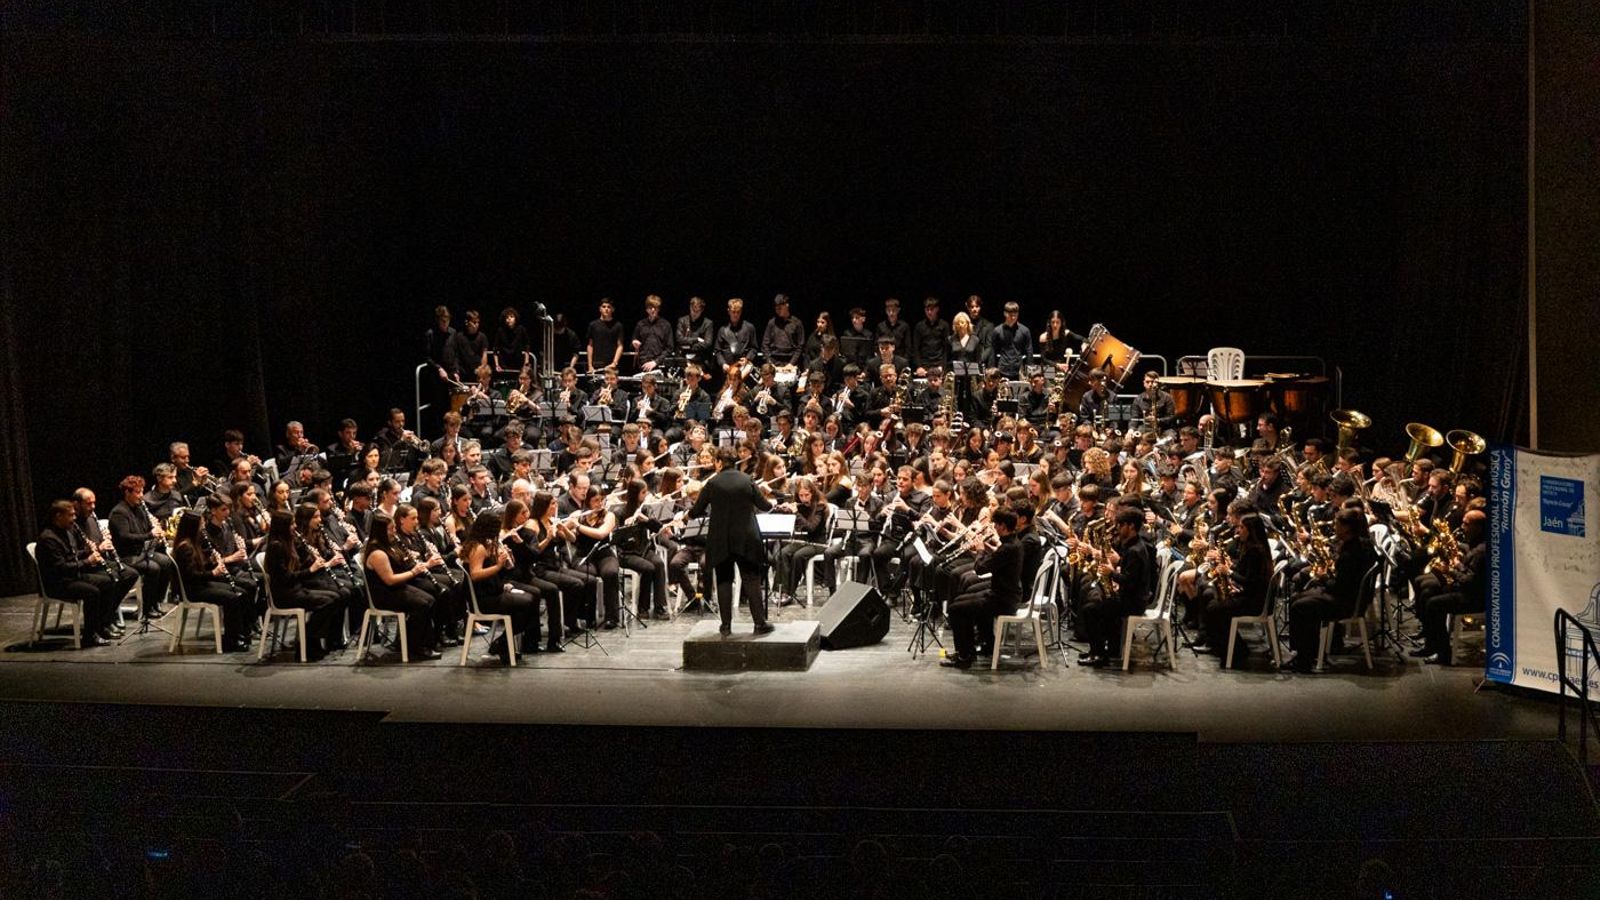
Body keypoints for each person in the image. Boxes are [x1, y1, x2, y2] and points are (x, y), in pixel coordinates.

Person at [688, 447, 774, 636]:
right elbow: (764, 506)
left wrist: (688, 514)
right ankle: (760, 623)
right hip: (746, 537)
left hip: (721, 538)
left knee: (724, 579)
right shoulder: (747, 480)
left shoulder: (712, 483)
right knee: (751, 579)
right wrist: (773, 500)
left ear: (719, 462)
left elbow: (696, 510)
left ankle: (726, 625)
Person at [1285, 508, 1380, 672]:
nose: (1334, 528)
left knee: (1300, 605)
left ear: (1346, 528)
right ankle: (1308, 652)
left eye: (1337, 524)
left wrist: (1323, 577)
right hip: (1352, 596)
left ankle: (1304, 659)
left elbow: (1339, 587)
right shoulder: (1363, 543)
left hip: (1346, 602)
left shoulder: (1350, 553)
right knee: (1297, 599)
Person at [35, 499, 131, 646]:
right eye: (71, 515)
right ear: (58, 516)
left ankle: (101, 625)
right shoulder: (49, 538)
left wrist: (89, 551)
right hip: (58, 583)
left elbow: (72, 554)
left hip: (72, 576)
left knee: (109, 580)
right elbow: (60, 567)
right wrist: (88, 561)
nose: (74, 518)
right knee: (92, 592)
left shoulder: (66, 531)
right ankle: (89, 636)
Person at [940, 507, 1024, 669]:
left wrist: (979, 550)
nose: (994, 528)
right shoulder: (1014, 543)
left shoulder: (1008, 548)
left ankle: (964, 656)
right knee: (961, 601)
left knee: (956, 608)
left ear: (1002, 526)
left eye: (996, 525)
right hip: (1006, 595)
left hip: (1002, 600)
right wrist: (986, 548)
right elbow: (999, 556)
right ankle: (982, 646)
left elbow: (980, 569)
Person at [458, 508, 541, 662]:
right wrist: (498, 566)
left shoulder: (487, 544)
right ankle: (502, 644)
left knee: (530, 600)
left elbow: (498, 573)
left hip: (492, 591)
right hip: (482, 598)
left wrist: (506, 561)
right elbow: (476, 575)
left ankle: (502, 644)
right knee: (527, 602)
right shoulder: (478, 547)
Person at [1077, 506, 1156, 667]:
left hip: (1133, 602)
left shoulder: (1135, 550)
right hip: (1130, 596)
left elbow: (1130, 582)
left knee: (1090, 609)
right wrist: (1117, 564)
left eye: (1120, 525)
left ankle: (1098, 653)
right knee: (1097, 602)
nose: (1117, 528)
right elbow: (1129, 572)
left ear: (1131, 526)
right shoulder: (1132, 545)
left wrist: (1110, 573)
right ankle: (1109, 649)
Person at [1408, 509, 1487, 665]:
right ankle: (1431, 645)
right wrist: (1457, 563)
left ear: (1478, 527)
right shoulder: (1475, 544)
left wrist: (1450, 570)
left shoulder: (1481, 551)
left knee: (1433, 604)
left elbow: (1470, 581)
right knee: (1427, 593)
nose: (1462, 527)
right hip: (1466, 589)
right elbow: (1468, 572)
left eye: (1466, 524)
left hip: (1474, 597)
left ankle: (1443, 653)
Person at [262, 510, 344, 660]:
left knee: (336, 597)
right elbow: (286, 578)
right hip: (285, 595)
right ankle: (306, 643)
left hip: (295, 589)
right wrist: (311, 569)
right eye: (291, 524)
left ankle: (314, 642)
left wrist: (313, 561)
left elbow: (296, 570)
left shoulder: (288, 542)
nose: (294, 526)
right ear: (283, 526)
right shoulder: (276, 547)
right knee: (327, 601)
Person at [361, 512, 440, 661]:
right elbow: (390, 579)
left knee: (430, 599)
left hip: (394, 589)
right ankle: (415, 647)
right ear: (381, 531)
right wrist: (413, 571)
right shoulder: (378, 553)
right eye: (391, 529)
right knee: (422, 604)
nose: (394, 531)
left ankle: (419, 643)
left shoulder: (389, 545)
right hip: (383, 595)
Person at [170, 511, 253, 651]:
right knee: (232, 598)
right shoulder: (185, 547)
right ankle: (230, 642)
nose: (203, 527)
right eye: (201, 524)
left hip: (201, 584)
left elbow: (198, 567)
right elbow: (191, 575)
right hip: (193, 589)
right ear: (192, 527)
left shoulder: (193, 543)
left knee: (242, 593)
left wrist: (211, 561)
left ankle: (243, 633)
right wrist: (213, 573)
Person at [107, 474, 177, 615]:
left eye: (142, 491)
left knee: (168, 562)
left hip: (141, 552)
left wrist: (156, 529)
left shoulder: (140, 508)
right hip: (127, 555)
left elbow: (146, 529)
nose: (141, 496)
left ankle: (155, 602)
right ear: (127, 492)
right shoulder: (119, 512)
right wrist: (150, 535)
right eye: (137, 492)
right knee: (154, 568)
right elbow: (125, 537)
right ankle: (146, 608)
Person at [761, 294, 805, 371]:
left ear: (787, 305)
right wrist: (770, 362)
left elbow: (800, 346)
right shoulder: (772, 323)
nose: (778, 311)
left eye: (780, 308)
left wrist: (791, 364)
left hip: (790, 361)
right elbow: (765, 345)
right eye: (776, 308)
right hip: (774, 360)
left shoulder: (797, 323)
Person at [990, 301, 1032, 380]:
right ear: (1005, 313)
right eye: (1010, 315)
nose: (1013, 318)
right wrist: (992, 369)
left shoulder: (1025, 330)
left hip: (1019, 371)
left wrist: (1030, 371)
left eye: (1015, 315)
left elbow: (1029, 351)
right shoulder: (997, 331)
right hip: (1002, 369)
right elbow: (993, 352)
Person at [631, 294, 673, 371]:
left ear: (659, 309)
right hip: (642, 364)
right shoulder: (640, 324)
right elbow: (634, 340)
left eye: (655, 308)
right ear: (646, 309)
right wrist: (634, 342)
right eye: (650, 308)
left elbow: (669, 348)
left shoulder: (666, 325)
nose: (653, 310)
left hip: (658, 365)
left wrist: (655, 362)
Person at [911, 296, 951, 376]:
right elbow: (916, 348)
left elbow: (946, 348)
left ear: (937, 309)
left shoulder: (944, 325)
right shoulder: (919, 326)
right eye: (927, 310)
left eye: (932, 309)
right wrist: (919, 366)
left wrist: (942, 366)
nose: (929, 312)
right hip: (924, 365)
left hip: (939, 364)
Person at [586, 297, 624, 373]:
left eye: (609, 307)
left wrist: (614, 362)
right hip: (596, 365)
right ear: (600, 309)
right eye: (604, 307)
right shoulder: (593, 325)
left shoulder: (618, 325)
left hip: (611, 366)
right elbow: (590, 345)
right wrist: (590, 366)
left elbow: (620, 345)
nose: (606, 309)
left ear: (613, 309)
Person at [491, 306, 531, 375]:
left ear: (515, 318)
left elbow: (527, 346)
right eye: (507, 317)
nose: (509, 319)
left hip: (518, 363)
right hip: (504, 364)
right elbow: (495, 348)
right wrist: (497, 365)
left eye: (511, 316)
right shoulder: (500, 331)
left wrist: (526, 363)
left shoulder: (521, 329)